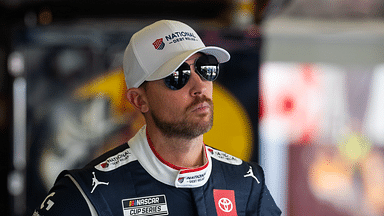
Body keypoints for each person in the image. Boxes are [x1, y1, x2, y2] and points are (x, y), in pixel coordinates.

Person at [33, 20, 281, 216]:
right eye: (177, 76)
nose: (199, 87)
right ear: (139, 100)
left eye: (206, 67)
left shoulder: (248, 183)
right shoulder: (85, 194)